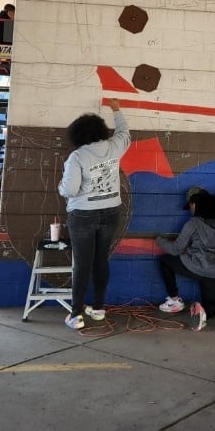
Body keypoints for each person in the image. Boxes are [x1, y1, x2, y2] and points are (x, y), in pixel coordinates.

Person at [58, 98, 130, 330]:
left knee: (82, 263)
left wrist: (61, 187)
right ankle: (99, 308)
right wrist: (116, 109)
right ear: (100, 131)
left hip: (83, 215)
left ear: (77, 135)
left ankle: (76, 314)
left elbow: (69, 190)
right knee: (101, 260)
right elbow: (124, 132)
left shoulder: (77, 157)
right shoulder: (114, 147)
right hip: (111, 211)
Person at [155, 188, 215, 331]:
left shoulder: (194, 223)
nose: (190, 210)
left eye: (190, 206)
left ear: (196, 205)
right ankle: (202, 312)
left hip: (195, 267)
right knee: (211, 310)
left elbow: (176, 249)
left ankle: (174, 300)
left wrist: (159, 240)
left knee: (165, 260)